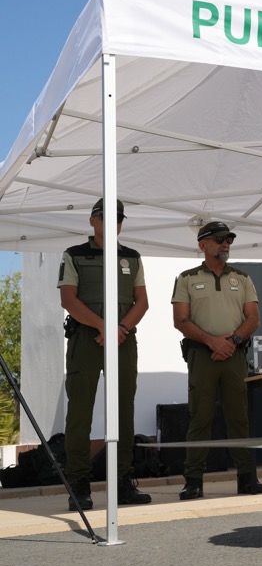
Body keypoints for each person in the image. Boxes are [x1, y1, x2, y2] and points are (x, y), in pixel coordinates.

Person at [58, 198, 151, 510]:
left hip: (123, 340)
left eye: (118, 219)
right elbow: (68, 300)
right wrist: (103, 327)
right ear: (92, 220)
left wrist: (120, 329)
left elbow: (142, 302)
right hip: (86, 339)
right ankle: (79, 484)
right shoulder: (74, 255)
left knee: (124, 409)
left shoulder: (131, 257)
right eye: (106, 217)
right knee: (80, 411)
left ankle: (123, 480)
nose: (113, 223)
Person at [172, 221, 262, 501]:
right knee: (200, 417)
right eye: (219, 239)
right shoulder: (186, 277)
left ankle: (247, 478)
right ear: (203, 244)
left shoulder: (242, 277)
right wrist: (213, 342)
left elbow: (253, 319)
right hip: (202, 355)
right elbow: (181, 320)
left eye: (229, 239)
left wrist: (232, 343)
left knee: (239, 417)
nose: (225, 243)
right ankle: (193, 481)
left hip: (234, 355)